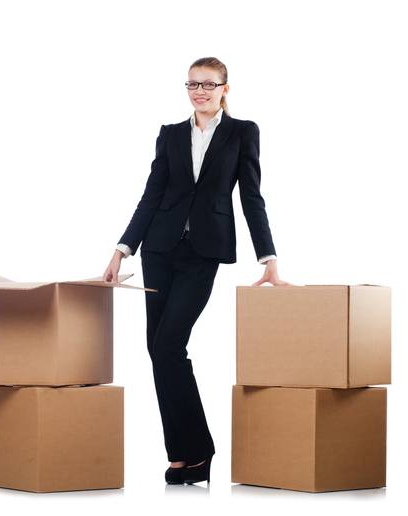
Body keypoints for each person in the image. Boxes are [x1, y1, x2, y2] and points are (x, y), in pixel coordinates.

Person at [103, 57, 288, 484]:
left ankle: (200, 450)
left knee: (169, 344)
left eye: (208, 84)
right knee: (158, 349)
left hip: (203, 253)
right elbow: (151, 195)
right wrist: (122, 249)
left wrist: (269, 258)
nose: (199, 91)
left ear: (226, 87)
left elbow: (251, 197)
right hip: (160, 250)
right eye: (192, 84)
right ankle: (183, 454)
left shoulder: (243, 133)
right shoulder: (169, 135)